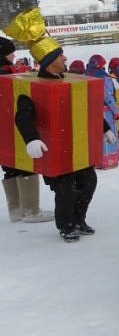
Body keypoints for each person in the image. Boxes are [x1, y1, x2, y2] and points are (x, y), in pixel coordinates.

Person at [4, 9, 116, 241]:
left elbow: (86, 108)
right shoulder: (33, 89)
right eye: (60, 55)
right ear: (48, 61)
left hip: (78, 146)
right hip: (54, 150)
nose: (65, 59)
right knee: (65, 190)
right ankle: (66, 225)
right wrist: (31, 138)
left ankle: (79, 219)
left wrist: (104, 128)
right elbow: (23, 116)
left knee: (88, 183)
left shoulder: (71, 82)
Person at [0, 36, 54, 223]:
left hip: (3, 129)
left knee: (9, 166)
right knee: (25, 164)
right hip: (14, 125)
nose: (14, 55)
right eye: (10, 52)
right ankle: (31, 211)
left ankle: (16, 210)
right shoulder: (7, 74)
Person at [85, 54, 119, 168]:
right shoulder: (104, 78)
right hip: (105, 111)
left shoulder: (84, 76)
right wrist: (116, 111)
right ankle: (107, 160)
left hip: (90, 110)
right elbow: (108, 96)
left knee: (95, 135)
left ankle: (96, 159)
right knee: (108, 134)